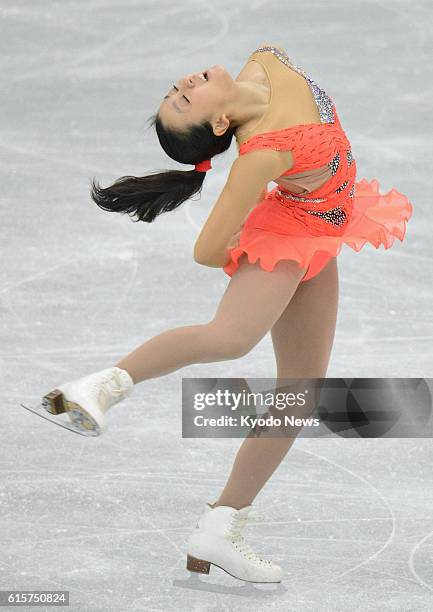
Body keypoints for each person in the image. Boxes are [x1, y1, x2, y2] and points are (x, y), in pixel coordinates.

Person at [38, 43, 413, 583]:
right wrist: (255, 235)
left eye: (176, 90)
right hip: (287, 236)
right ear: (219, 120)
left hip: (321, 233)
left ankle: (219, 527)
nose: (183, 83)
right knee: (232, 337)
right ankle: (100, 387)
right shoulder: (261, 153)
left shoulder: (264, 59)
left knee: (300, 393)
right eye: (183, 100)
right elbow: (207, 250)